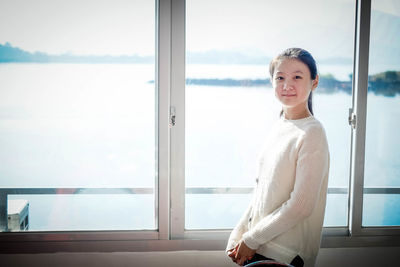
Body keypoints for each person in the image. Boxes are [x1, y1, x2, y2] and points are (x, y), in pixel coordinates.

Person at [226, 48, 330, 267]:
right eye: (280, 77)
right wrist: (240, 234)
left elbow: (301, 205)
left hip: (285, 254)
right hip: (261, 246)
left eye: (297, 77)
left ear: (314, 82)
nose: (287, 85)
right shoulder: (281, 125)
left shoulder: (312, 132)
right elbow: (262, 192)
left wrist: (251, 239)